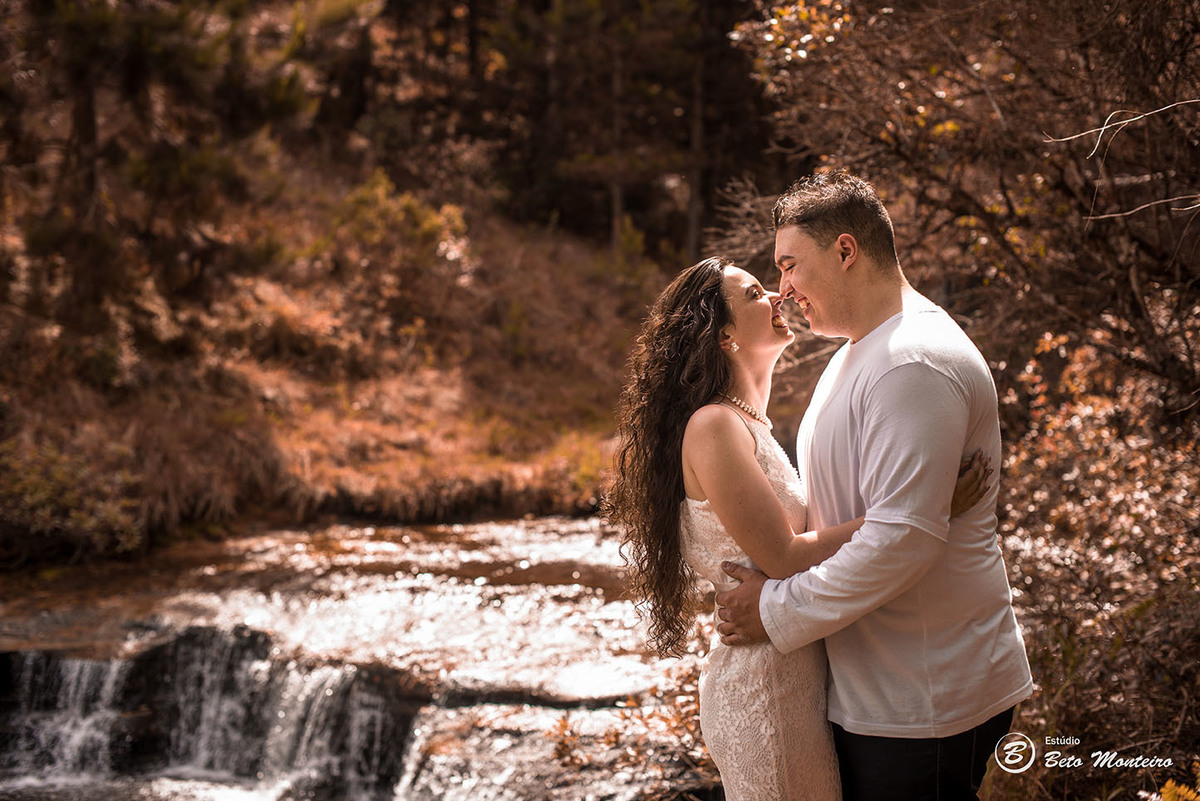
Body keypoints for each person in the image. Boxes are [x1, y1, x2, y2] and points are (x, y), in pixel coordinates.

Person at [604, 255, 993, 800]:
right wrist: (925, 506)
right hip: (764, 687)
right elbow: (786, 556)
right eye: (758, 293)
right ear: (722, 336)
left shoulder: (746, 423)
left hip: (798, 668)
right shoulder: (714, 425)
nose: (779, 297)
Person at [714, 170, 1034, 801]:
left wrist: (773, 608)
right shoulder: (860, 352)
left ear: (844, 251)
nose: (784, 291)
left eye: (790, 266)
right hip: (876, 691)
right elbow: (856, 510)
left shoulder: (911, 360)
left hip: (925, 697)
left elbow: (904, 541)